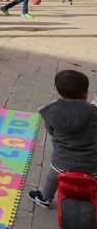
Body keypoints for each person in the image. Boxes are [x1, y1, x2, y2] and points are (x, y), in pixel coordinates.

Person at [29, 70, 97, 209]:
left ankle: (45, 198)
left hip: (61, 162)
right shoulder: (93, 112)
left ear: (60, 92)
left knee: (52, 178)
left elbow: (51, 131)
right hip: (92, 163)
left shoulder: (53, 112)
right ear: (86, 93)